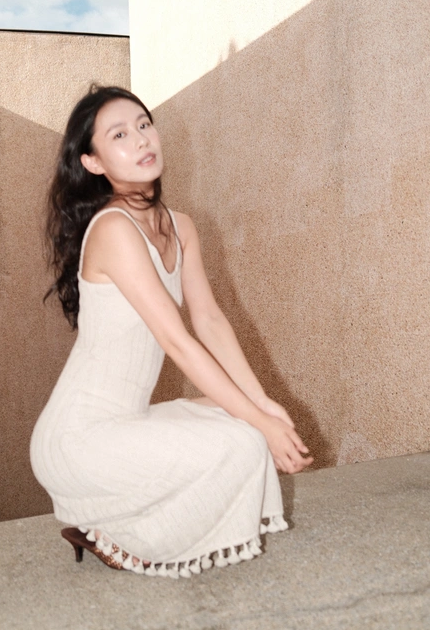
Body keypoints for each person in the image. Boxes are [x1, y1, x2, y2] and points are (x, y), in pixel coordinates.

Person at [30, 85, 312, 579]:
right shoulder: (113, 228)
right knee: (246, 441)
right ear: (93, 162)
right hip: (79, 440)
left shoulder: (180, 226)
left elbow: (210, 320)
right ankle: (114, 532)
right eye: (119, 135)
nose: (141, 139)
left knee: (246, 421)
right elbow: (177, 341)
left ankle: (106, 523)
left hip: (130, 422)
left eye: (144, 124)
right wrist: (263, 424)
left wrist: (263, 404)